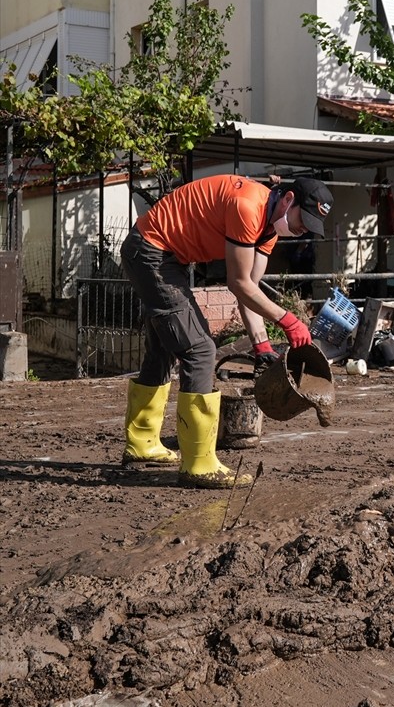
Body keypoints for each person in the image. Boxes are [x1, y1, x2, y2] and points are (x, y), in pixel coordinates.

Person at [120, 174, 334, 489]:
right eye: (306, 219)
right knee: (200, 349)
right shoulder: (248, 205)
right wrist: (288, 320)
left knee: (164, 348)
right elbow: (238, 282)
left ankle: (141, 442)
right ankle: (199, 463)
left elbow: (248, 290)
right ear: (289, 200)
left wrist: (262, 346)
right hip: (151, 252)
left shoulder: (268, 230)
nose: (305, 229)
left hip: (164, 257)